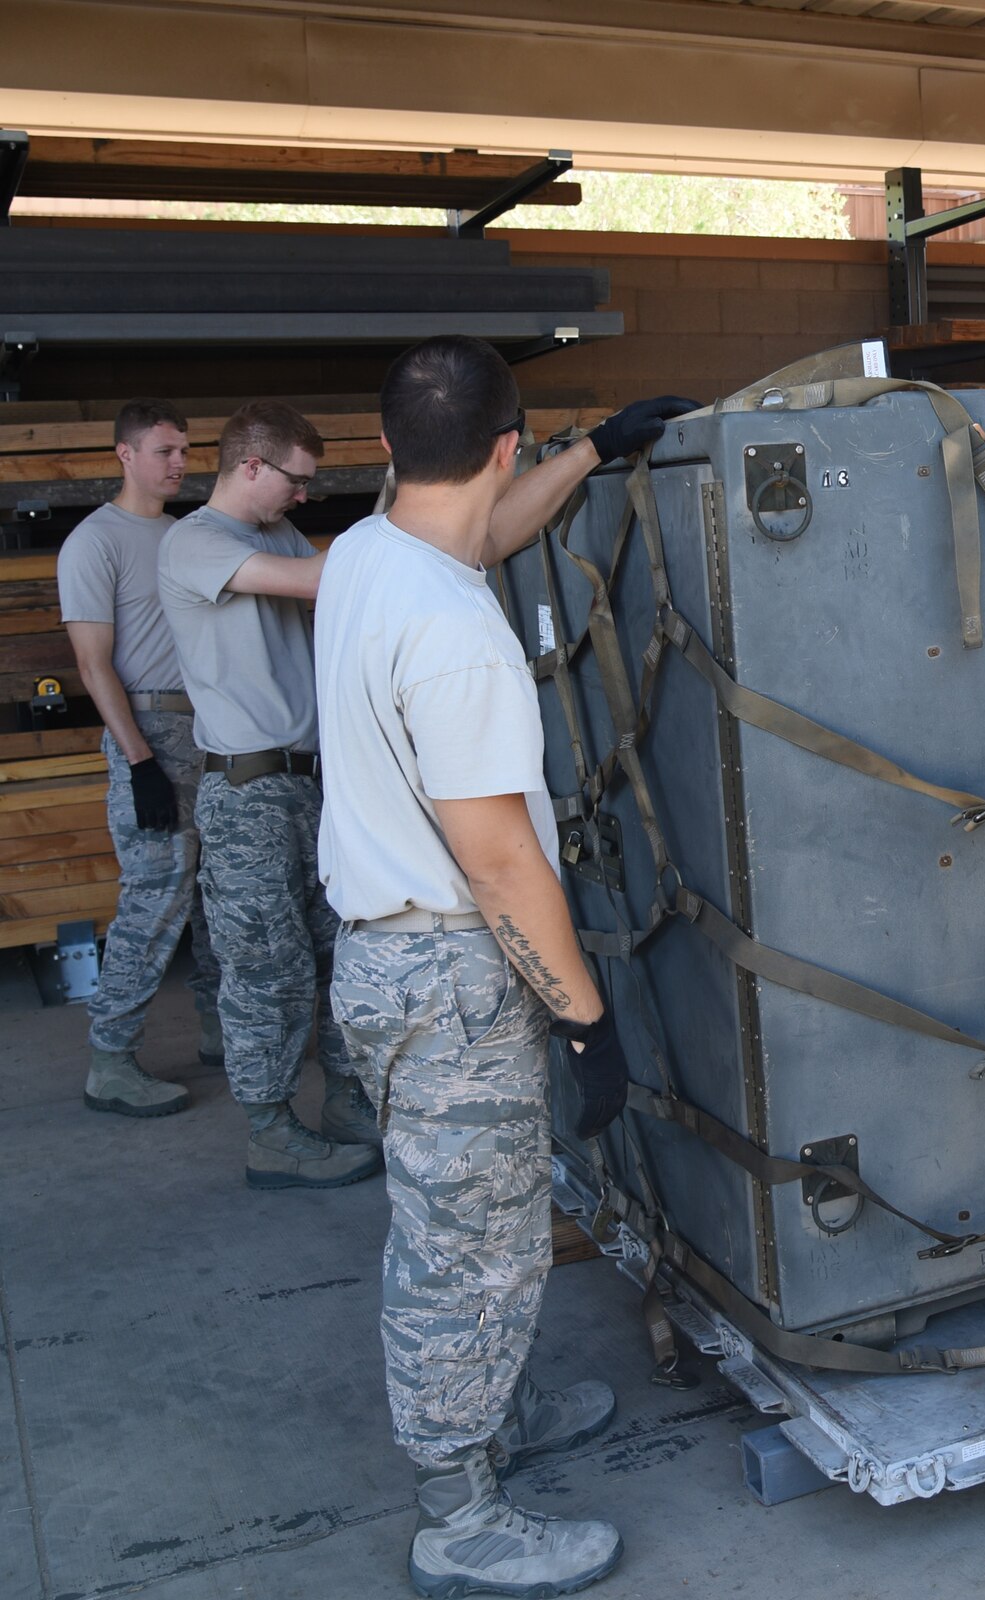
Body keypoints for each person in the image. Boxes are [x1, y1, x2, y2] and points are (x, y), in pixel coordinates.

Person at [317, 337, 693, 1598]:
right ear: (498, 445)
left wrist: (593, 450)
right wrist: (585, 1019)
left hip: (386, 964)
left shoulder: (369, 553)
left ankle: (497, 1415)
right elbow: (498, 858)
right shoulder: (453, 636)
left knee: (465, 1224)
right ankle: (459, 1514)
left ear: (386, 450)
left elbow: (472, 534)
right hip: (448, 969)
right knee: (465, 1251)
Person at [157, 400, 382, 1191]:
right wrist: (403, 505)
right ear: (250, 465)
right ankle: (270, 1132)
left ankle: (349, 1102)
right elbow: (323, 579)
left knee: (335, 952)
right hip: (248, 794)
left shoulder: (276, 532)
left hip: (310, 784)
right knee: (267, 971)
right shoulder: (194, 542)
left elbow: (333, 595)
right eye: (297, 478)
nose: (304, 495)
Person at [57, 398, 221, 1116]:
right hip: (148, 731)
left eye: (185, 450)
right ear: (125, 454)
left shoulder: (188, 535)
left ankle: (224, 1033)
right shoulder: (95, 542)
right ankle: (111, 1060)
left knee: (220, 897)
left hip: (209, 732)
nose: (180, 463)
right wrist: (139, 762)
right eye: (165, 451)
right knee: (155, 899)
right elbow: (94, 665)